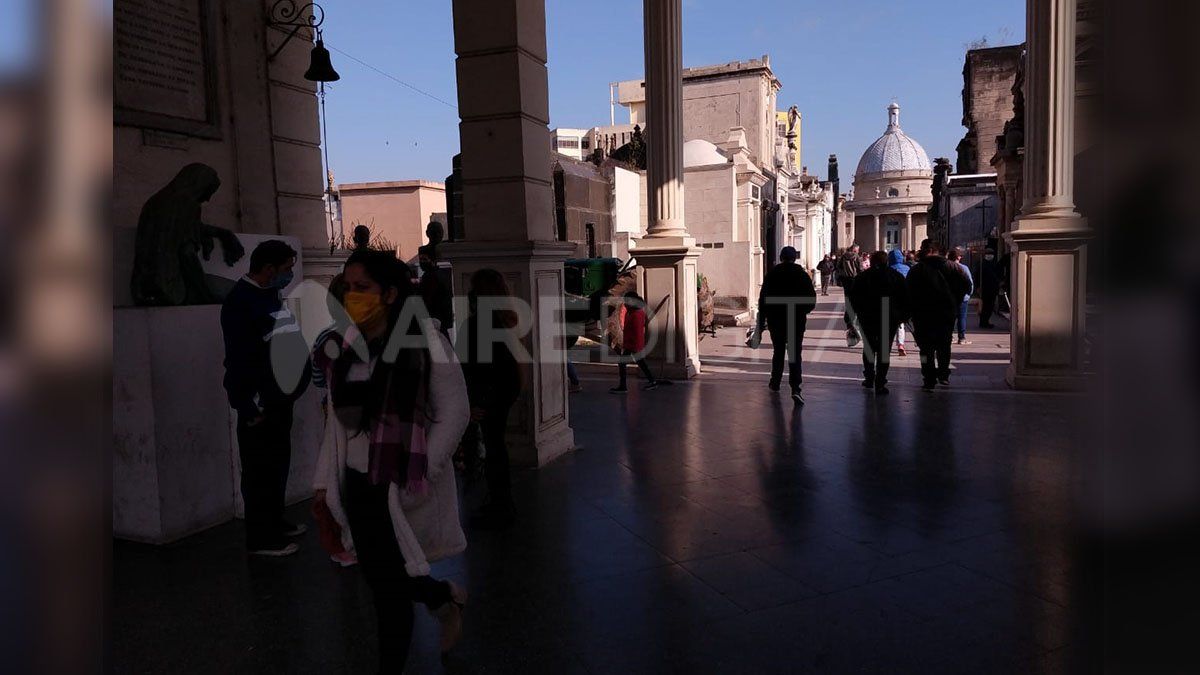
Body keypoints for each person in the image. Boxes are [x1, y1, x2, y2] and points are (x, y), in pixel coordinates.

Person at [312, 249, 469, 668]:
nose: (352, 296)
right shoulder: (346, 346)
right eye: (347, 287)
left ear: (391, 293)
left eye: (362, 288)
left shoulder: (426, 342)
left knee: (389, 592)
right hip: (357, 486)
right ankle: (443, 597)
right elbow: (337, 424)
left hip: (398, 485)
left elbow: (455, 413)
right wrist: (324, 481)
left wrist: (419, 470)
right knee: (384, 578)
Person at [220, 239, 310, 557]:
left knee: (276, 464)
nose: (290, 274)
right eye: (286, 269)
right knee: (259, 471)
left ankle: (275, 521)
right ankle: (261, 538)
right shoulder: (240, 303)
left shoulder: (270, 294)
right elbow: (240, 359)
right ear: (269, 269)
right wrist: (246, 404)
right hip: (260, 404)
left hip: (279, 399)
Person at [458, 268, 522, 529]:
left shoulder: (476, 325)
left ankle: (500, 503)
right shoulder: (503, 321)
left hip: (488, 395)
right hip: (503, 391)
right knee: (497, 448)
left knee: (494, 449)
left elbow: (473, 368)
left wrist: (474, 402)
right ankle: (501, 501)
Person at [906, 239, 972, 390]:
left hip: (922, 315)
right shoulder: (954, 267)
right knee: (944, 345)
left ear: (928, 250)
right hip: (946, 313)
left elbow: (908, 292)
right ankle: (943, 375)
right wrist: (955, 301)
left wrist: (910, 311)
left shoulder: (917, 270)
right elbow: (967, 287)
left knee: (925, 349)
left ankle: (928, 378)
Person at [758, 246, 817, 405]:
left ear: (781, 257)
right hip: (796, 320)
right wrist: (801, 311)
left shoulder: (772, 274)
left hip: (776, 320)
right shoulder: (802, 275)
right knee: (795, 354)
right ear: (794, 258)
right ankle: (795, 388)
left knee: (778, 351)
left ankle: (775, 382)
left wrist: (761, 321)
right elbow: (811, 301)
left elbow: (763, 299)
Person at [850, 250, 909, 395]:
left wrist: (850, 318)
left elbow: (853, 298)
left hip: (867, 317)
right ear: (886, 261)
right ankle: (880, 382)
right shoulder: (896, 277)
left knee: (869, 347)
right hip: (888, 318)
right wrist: (903, 316)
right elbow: (905, 298)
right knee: (884, 350)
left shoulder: (862, 277)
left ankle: (869, 377)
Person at [611, 291, 659, 393]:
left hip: (633, 344)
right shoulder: (634, 311)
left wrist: (630, 345)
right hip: (632, 344)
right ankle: (652, 381)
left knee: (623, 363)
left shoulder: (636, 314)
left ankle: (623, 387)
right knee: (641, 363)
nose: (625, 304)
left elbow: (637, 332)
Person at [417, 244, 454, 337]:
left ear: (433, 260)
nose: (421, 262)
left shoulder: (433, 277)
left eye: (424, 259)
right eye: (420, 259)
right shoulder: (435, 275)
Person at [887, 248, 912, 356]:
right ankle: (900, 344)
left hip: (889, 301)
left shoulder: (888, 269)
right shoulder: (907, 268)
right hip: (902, 300)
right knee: (900, 324)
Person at [836, 244, 863, 346]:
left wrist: (842, 276)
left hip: (846, 281)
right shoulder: (856, 257)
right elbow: (859, 269)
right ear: (855, 249)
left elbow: (838, 267)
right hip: (855, 280)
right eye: (858, 250)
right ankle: (854, 325)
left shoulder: (843, 256)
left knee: (848, 300)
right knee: (856, 301)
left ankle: (849, 322)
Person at [947, 247, 974, 344]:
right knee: (962, 317)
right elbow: (970, 282)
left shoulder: (946, 267)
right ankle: (961, 338)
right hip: (963, 297)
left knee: (950, 317)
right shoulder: (964, 268)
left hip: (949, 297)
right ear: (958, 257)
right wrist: (968, 294)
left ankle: (949, 337)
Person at [979, 248, 1001, 328]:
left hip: (992, 288)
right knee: (986, 306)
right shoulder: (982, 264)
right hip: (985, 288)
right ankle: (983, 322)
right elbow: (977, 275)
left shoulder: (994, 263)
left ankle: (985, 321)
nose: (990, 255)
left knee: (989, 306)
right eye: (988, 253)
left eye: (991, 253)